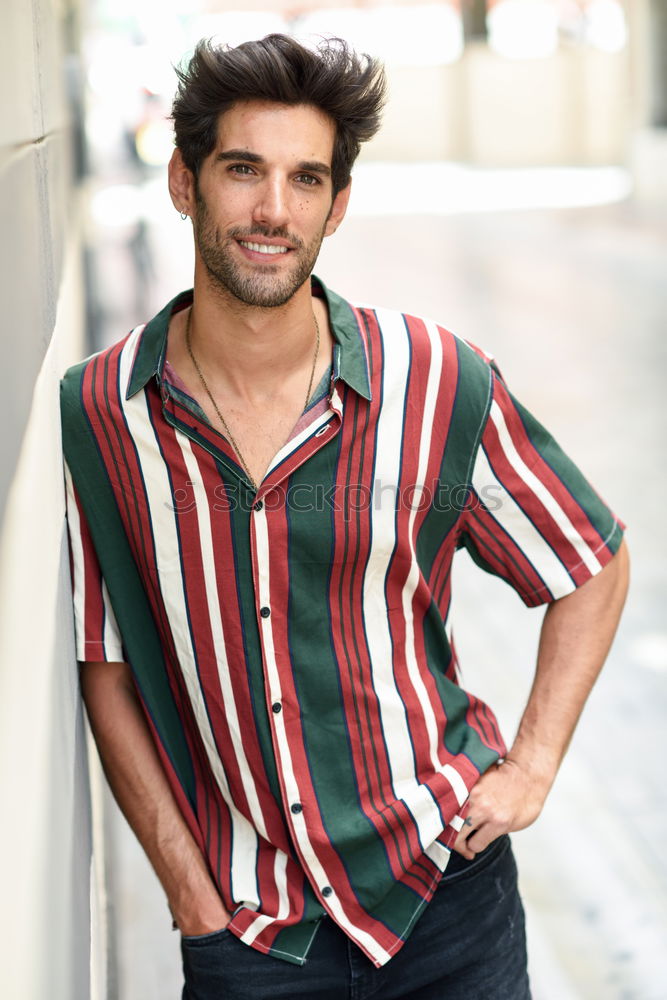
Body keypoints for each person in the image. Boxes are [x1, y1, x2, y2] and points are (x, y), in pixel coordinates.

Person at [61, 34, 629, 1000]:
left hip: (446, 900)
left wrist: (530, 766)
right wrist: (188, 892)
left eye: (305, 179)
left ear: (338, 204)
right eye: (243, 170)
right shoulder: (104, 413)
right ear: (183, 182)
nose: (273, 210)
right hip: (251, 936)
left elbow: (588, 561)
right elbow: (107, 667)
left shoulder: (435, 380)